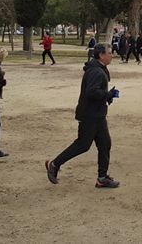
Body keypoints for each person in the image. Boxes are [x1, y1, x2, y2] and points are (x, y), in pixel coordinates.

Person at [45, 43, 121, 188]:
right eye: (110, 53)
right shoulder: (96, 71)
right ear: (101, 55)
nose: (112, 55)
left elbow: (95, 91)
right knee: (82, 145)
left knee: (105, 144)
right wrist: (108, 94)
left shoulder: (99, 69)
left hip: (98, 114)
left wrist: (107, 96)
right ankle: (54, 164)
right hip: (90, 115)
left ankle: (102, 178)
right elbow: (91, 92)